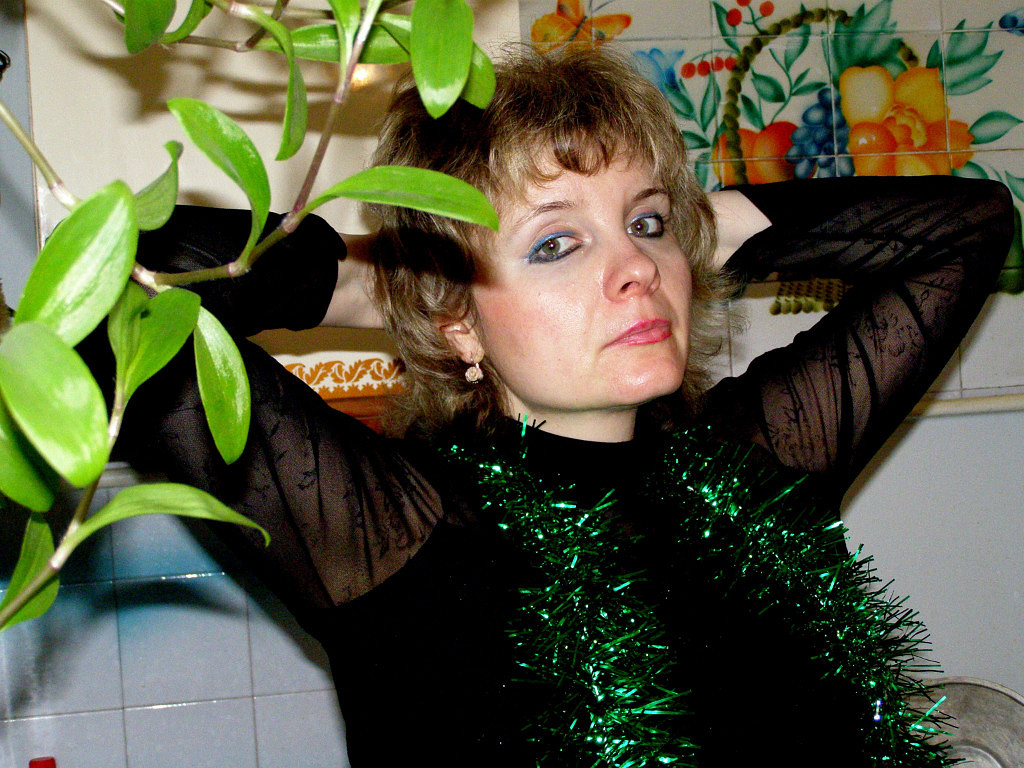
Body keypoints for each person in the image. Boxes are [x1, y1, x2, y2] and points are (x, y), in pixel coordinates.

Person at [95, 46, 1012, 766]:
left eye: (646, 224)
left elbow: (969, 228)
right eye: (555, 244)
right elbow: (124, 284)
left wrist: (695, 225)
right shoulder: (397, 531)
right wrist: (389, 281)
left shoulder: (753, 467)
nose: (638, 268)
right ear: (459, 322)